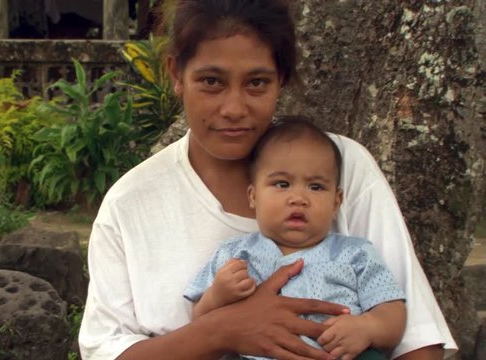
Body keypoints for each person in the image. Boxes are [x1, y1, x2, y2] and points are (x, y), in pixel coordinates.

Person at [78, 0, 457, 359]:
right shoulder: (130, 204)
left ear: (282, 79)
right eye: (212, 81)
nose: (233, 108)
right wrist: (224, 329)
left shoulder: (340, 166)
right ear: (177, 74)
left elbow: (417, 339)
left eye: (257, 83)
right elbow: (106, 350)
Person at [185, 117, 407, 360]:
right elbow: (200, 324)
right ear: (253, 196)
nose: (298, 198)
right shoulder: (235, 256)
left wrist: (368, 327)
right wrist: (217, 296)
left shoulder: (356, 254)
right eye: (282, 184)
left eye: (315, 187)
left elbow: (392, 309)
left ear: (336, 202)